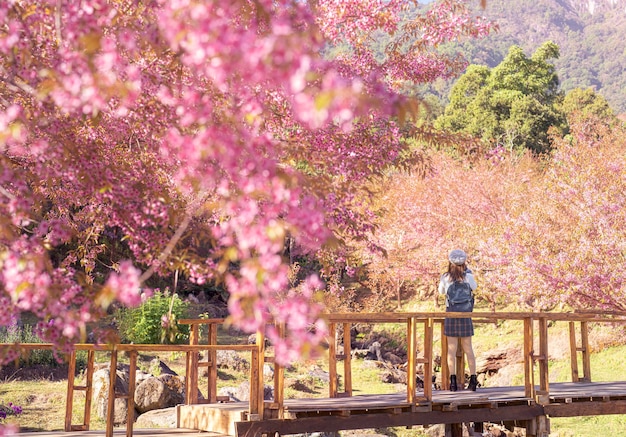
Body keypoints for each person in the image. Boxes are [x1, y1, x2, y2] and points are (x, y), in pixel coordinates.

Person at [438, 249, 478, 391]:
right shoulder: (468, 277)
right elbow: (475, 288)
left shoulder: (445, 277)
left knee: (451, 350)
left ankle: (453, 382)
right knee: (468, 349)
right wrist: (469, 272)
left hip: (451, 314)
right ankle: (473, 381)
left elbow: (441, 292)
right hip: (465, 315)